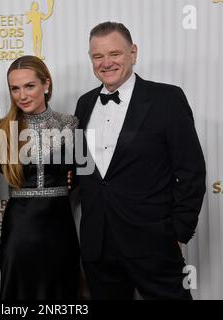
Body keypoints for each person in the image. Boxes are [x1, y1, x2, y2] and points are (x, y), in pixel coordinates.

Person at [74, 21, 206, 299]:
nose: (106, 63)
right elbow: (87, 171)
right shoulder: (85, 104)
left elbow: (191, 170)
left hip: (154, 243)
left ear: (133, 53)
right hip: (98, 246)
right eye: (98, 56)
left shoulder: (166, 98)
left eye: (115, 54)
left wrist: (179, 231)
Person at [0, 55, 80, 300]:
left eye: (29, 86)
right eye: (15, 88)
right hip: (19, 233)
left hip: (60, 231)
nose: (22, 95)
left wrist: (73, 178)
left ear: (46, 84)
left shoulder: (70, 124)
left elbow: (87, 174)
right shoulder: (2, 129)